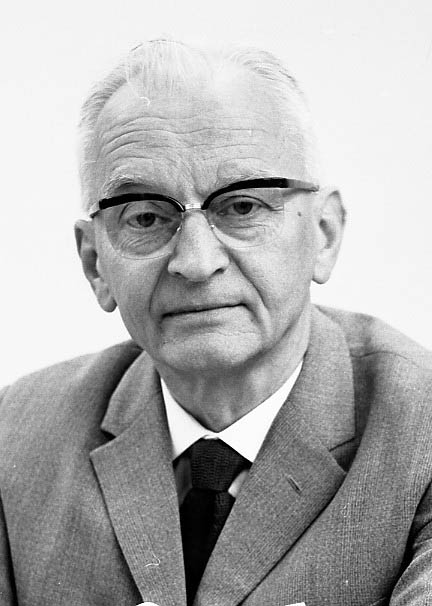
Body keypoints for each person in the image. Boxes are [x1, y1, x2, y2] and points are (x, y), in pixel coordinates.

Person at [1, 38, 431, 606]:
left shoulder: (420, 433)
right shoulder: (14, 438)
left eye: (243, 206)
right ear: (95, 263)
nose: (197, 262)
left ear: (323, 234)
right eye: (146, 217)